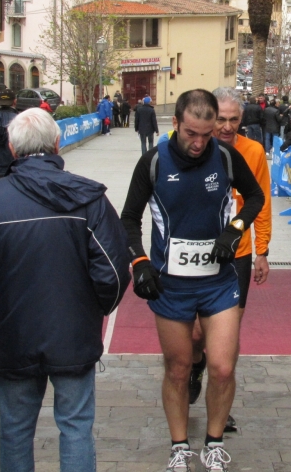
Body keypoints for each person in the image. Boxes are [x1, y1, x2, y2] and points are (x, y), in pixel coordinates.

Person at [0, 108, 130, 472]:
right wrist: (94, 310)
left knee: (16, 429)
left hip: (14, 331)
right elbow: (113, 272)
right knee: (76, 427)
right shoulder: (88, 199)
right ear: (56, 143)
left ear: (12, 147)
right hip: (72, 333)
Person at [120, 89, 265, 472]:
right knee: (179, 368)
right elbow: (128, 219)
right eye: (191, 134)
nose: (200, 142)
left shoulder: (227, 157)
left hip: (218, 281)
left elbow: (255, 198)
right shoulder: (152, 162)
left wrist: (234, 231)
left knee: (221, 367)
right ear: (176, 124)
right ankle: (179, 445)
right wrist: (139, 262)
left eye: (207, 133)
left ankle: (214, 443)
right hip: (171, 285)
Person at [188, 86, 273, 432]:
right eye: (220, 119)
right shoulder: (191, 147)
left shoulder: (252, 151)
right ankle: (195, 366)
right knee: (195, 333)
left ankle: (220, 402)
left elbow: (262, 202)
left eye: (233, 120)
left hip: (237, 254)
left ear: (242, 119)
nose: (226, 126)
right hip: (196, 253)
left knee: (228, 335)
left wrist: (262, 251)